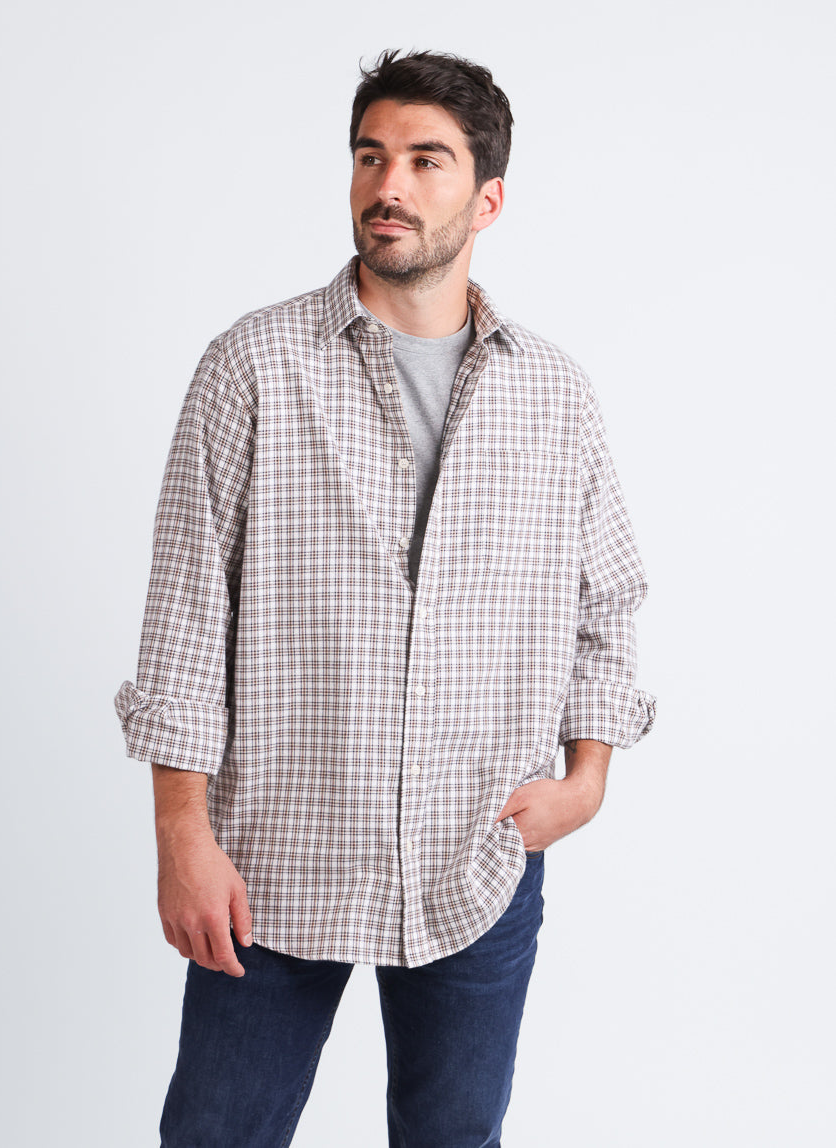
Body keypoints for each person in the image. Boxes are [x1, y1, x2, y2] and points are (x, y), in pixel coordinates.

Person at [115, 49, 655, 1148]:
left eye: (425, 160)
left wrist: (585, 782)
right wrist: (181, 835)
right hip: (272, 859)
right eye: (370, 157)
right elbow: (183, 615)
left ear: (488, 198)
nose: (388, 185)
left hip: (477, 856)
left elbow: (607, 601)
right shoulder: (253, 366)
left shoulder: (553, 393)